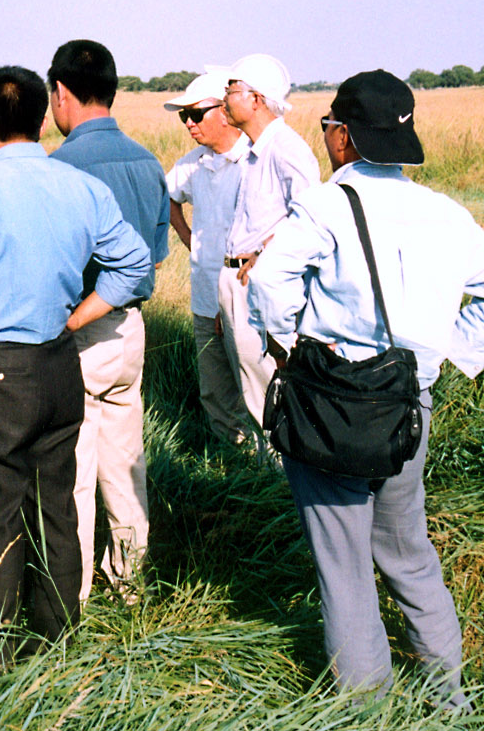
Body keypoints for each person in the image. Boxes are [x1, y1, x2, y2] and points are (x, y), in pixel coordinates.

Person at [247, 69, 484, 706]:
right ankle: (446, 697)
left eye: (328, 127)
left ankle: (367, 707)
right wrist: (442, 353)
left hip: (332, 408)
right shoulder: (445, 214)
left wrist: (288, 346)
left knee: (344, 568)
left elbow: (269, 285)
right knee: (408, 552)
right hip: (409, 407)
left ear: (343, 135)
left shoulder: (324, 205)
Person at [0, 65, 151, 661]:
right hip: (57, 365)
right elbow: (134, 266)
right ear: (43, 118)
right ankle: (57, 647)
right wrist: (76, 316)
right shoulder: (80, 187)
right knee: (56, 514)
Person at [46, 39, 169, 604]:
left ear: (61, 93)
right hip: (131, 330)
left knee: (73, 468)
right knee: (124, 463)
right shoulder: (148, 162)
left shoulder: (60, 168)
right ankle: (130, 583)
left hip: (80, 326)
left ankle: (72, 595)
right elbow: (157, 252)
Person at [219, 53, 320, 441]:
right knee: (251, 381)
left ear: (256, 99)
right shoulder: (252, 150)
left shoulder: (286, 148)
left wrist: (265, 255)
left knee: (267, 383)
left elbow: (312, 216)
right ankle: (269, 468)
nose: (225, 99)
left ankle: (280, 475)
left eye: (231, 90)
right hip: (239, 281)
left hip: (260, 285)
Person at [163, 67, 254, 445]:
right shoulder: (191, 164)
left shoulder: (254, 160)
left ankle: (269, 473)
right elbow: (166, 197)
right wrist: (187, 237)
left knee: (255, 388)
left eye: (196, 114)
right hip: (204, 296)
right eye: (185, 116)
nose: (189, 124)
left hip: (247, 298)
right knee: (215, 390)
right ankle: (229, 463)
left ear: (225, 110)